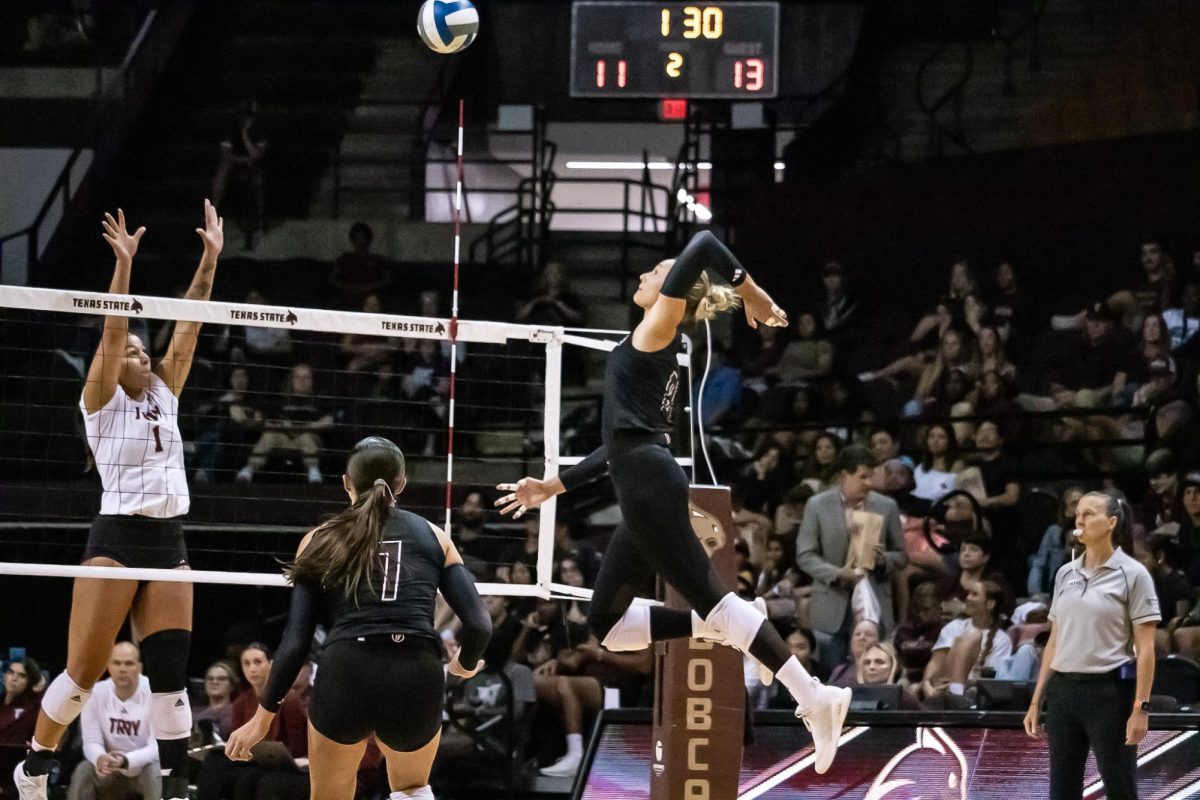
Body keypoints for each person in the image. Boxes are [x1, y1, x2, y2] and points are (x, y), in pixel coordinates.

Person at [493, 231, 852, 774]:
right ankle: (729, 626)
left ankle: (812, 695)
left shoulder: (661, 322)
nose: (643, 277)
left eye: (656, 271)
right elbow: (619, 442)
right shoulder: (650, 338)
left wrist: (751, 293)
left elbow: (706, 243)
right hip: (641, 474)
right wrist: (553, 486)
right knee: (607, 622)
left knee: (713, 598)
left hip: (649, 481)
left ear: (678, 290)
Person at [15, 203, 224, 800]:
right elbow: (112, 327)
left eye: (141, 349)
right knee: (82, 674)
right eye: (131, 350)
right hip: (117, 538)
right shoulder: (100, 402)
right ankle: (33, 766)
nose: (139, 352)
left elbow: (192, 319)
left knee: (171, 682)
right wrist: (124, 267)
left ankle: (180, 787)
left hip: (169, 538)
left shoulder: (164, 389)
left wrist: (210, 258)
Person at [225, 437, 491, 800]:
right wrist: (464, 664)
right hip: (416, 671)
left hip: (348, 671)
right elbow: (479, 624)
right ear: (401, 484)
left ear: (346, 482)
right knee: (413, 791)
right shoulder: (435, 535)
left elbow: (296, 641)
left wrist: (263, 716)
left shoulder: (320, 538)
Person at [1023, 493, 1160, 800]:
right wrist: (1036, 701)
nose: (1079, 519)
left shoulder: (1134, 575)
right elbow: (1054, 642)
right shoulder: (1064, 573)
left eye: (1089, 513)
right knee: (1061, 790)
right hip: (1063, 694)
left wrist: (1142, 708)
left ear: (1111, 522)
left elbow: (1146, 649)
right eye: (1077, 514)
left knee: (1120, 788)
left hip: (1109, 694)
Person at [797, 444, 906, 676]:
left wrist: (883, 559)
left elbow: (902, 556)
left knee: (876, 676)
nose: (868, 483)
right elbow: (805, 555)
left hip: (875, 605)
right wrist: (836, 573)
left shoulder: (887, 506)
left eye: (871, 476)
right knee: (830, 679)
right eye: (862, 477)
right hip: (831, 608)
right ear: (844, 475)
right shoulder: (817, 505)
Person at [68, 643, 159, 800]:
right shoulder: (95, 693)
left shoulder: (155, 693)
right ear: (108, 667)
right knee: (83, 771)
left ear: (140, 667)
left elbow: (157, 747)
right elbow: (91, 741)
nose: (122, 669)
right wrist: (100, 757)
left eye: (129, 663)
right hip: (110, 771)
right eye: (116, 663)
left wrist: (125, 760)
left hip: (143, 770)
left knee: (157, 773)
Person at [0, 658, 42, 798]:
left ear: (30, 682)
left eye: (22, 675)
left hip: (15, 767)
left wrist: (40, 684)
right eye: (11, 672)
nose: (14, 678)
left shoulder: (34, 707)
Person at [192, 661, 240, 742]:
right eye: (210, 679)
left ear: (232, 685)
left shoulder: (239, 712)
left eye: (221, 679)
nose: (215, 682)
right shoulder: (193, 712)